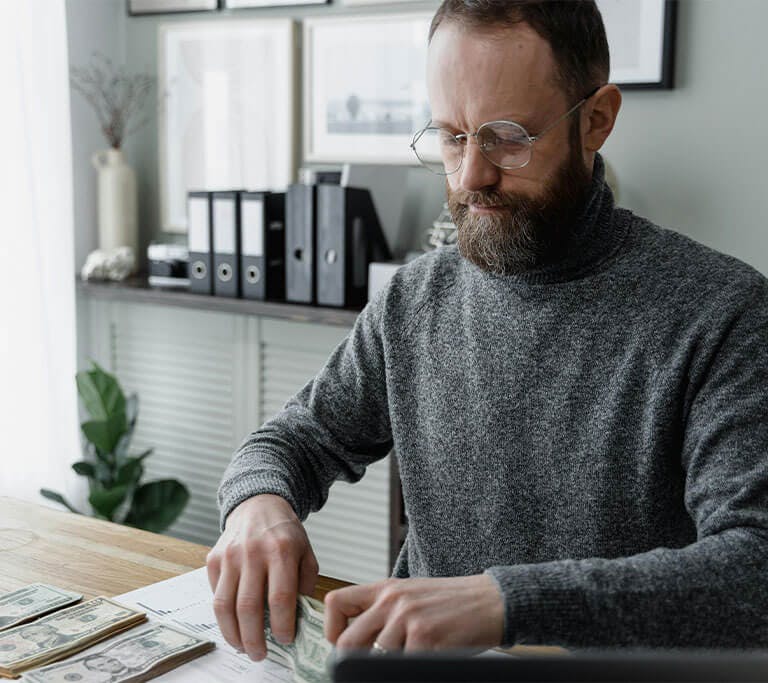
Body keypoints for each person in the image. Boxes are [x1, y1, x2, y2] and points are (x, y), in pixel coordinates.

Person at [207, 0, 768, 659]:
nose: (472, 174)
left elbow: (753, 571)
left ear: (596, 120)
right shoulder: (414, 298)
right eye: (451, 135)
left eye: (506, 136)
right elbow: (294, 440)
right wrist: (256, 501)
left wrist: (504, 603)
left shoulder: (722, 312)